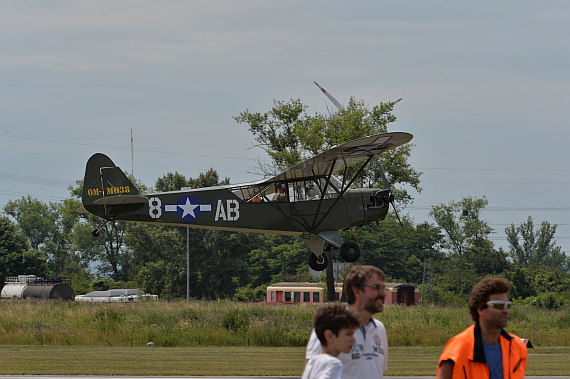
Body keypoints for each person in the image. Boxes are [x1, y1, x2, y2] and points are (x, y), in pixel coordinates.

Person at [304, 265, 389, 379]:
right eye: (376, 287)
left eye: (383, 288)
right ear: (357, 291)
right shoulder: (332, 324)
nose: (383, 294)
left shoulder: (379, 329)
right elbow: (312, 371)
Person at [437, 278, 527, 379]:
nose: (506, 310)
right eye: (499, 305)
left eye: (508, 305)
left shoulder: (518, 347)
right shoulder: (457, 350)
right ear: (480, 308)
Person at [301, 303, 360, 379]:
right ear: (329, 336)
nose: (353, 339)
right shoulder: (333, 364)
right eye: (348, 334)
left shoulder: (312, 362)